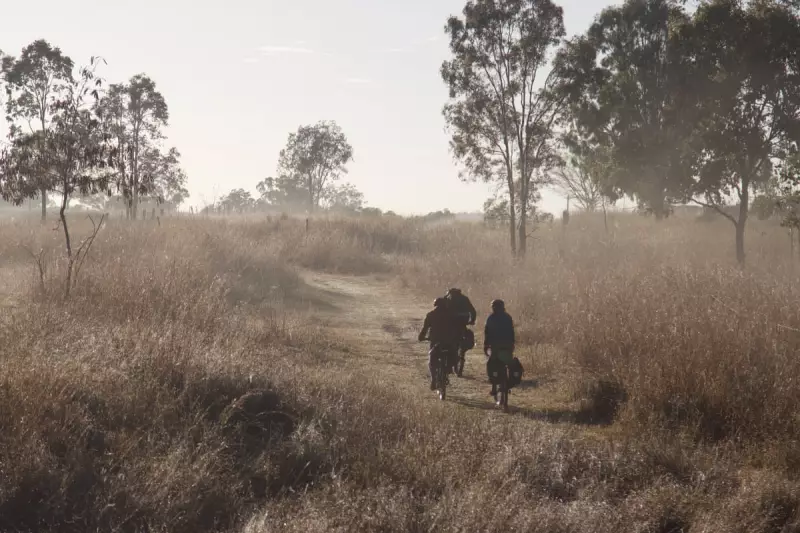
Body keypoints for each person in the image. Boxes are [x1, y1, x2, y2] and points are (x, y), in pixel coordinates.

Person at [418, 297, 461, 390]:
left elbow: (425, 329)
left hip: (435, 342)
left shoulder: (431, 315)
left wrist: (421, 337)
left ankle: (433, 379)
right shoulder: (452, 315)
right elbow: (457, 328)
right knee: (454, 356)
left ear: (435, 305)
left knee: (432, 361)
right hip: (449, 342)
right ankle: (449, 369)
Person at [483, 299, 515, 399]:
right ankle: (508, 382)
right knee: (508, 363)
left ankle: (493, 386)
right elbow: (511, 332)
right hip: (507, 346)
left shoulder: (491, 318)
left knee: (491, 364)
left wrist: (486, 345)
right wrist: (512, 344)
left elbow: (487, 333)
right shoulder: (508, 317)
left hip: (495, 346)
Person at [444, 288, 477, 369]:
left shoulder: (448, 298)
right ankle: (461, 351)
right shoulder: (465, 298)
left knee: (448, 338)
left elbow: (442, 310)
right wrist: (472, 320)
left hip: (452, 322)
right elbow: (473, 311)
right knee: (464, 334)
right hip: (463, 321)